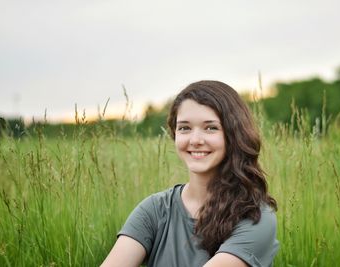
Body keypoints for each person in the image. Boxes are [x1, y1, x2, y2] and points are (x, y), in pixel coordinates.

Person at [101, 80, 279, 267]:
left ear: (234, 135)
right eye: (185, 128)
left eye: (211, 128)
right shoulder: (155, 210)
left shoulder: (256, 217)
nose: (195, 140)